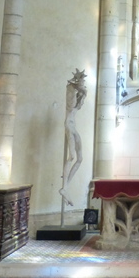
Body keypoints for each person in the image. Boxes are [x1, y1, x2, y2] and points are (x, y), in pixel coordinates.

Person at [59, 69, 87, 207]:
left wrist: (83, 92)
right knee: (71, 156)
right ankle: (64, 188)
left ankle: (66, 188)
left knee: (80, 159)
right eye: (81, 80)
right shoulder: (70, 91)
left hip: (73, 127)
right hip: (69, 127)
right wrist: (79, 86)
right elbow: (77, 88)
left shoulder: (77, 100)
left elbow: (83, 94)